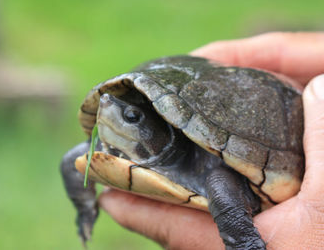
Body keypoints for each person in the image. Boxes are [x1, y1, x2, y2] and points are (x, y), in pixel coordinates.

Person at [99, 32, 324, 250]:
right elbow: (75, 163)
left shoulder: (216, 176)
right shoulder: (102, 147)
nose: (105, 105)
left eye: (131, 117)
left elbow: (222, 189)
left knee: (219, 185)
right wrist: (84, 202)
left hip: (285, 152)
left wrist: (243, 242)